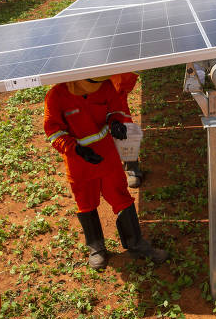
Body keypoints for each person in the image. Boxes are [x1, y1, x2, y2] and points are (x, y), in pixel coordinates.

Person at [43, 76, 167, 269]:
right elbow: (53, 131)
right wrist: (76, 149)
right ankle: (96, 248)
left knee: (121, 196)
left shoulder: (105, 85)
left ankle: (136, 243)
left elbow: (115, 109)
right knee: (85, 203)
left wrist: (116, 122)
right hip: (79, 163)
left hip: (107, 156)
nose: (97, 88)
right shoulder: (56, 96)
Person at [109, 72, 143, 188]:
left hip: (115, 80)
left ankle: (132, 167)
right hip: (86, 79)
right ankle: (101, 173)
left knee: (123, 122)